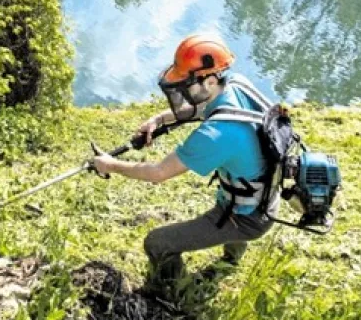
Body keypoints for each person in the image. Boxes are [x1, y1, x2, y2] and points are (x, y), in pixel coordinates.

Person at [91, 33, 280, 295]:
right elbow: (203, 108)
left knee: (157, 242)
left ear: (210, 80)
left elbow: (158, 173)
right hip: (264, 199)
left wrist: (111, 165)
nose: (182, 90)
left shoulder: (216, 135)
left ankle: (177, 290)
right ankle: (232, 259)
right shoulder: (236, 84)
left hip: (245, 218)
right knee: (236, 212)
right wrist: (159, 120)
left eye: (186, 84)